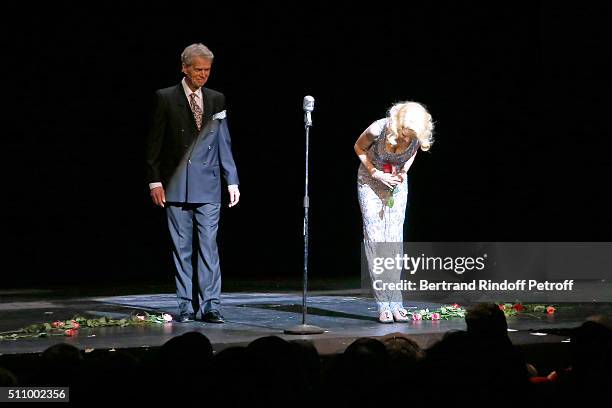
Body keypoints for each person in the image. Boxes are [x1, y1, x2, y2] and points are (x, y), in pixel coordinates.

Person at [146, 43, 240, 324]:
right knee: (182, 248)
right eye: (198, 69)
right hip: (175, 185)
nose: (203, 75)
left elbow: (223, 142)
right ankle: (186, 306)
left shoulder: (216, 98)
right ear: (184, 68)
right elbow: (154, 143)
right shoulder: (164, 97)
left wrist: (231, 179)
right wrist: (154, 182)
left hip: (209, 186)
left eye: (207, 70)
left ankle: (211, 305)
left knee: (209, 247)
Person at [354, 101, 433, 323]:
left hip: (396, 185)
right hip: (370, 182)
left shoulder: (416, 136)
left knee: (394, 243)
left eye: (414, 135)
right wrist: (375, 173)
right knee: (376, 241)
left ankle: (396, 302)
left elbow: (414, 151)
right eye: (407, 133)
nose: (409, 139)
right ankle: (382, 304)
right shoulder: (378, 129)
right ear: (399, 124)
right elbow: (358, 148)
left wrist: (404, 171)